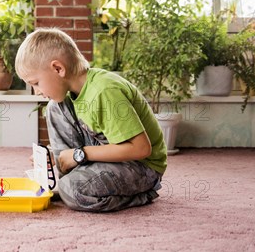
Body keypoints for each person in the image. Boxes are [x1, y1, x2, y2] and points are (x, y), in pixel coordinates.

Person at [15, 28, 166, 212]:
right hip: (110, 152)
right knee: (56, 107)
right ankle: (71, 183)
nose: (36, 91)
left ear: (58, 68)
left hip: (141, 167)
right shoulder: (73, 95)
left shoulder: (104, 91)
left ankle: (143, 194)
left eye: (35, 83)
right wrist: (55, 154)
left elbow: (141, 149)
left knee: (73, 191)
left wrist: (80, 154)